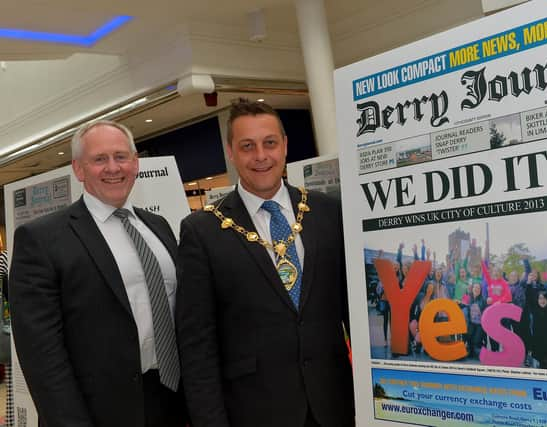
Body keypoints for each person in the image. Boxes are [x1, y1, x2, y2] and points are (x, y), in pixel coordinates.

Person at [176, 98, 354, 427]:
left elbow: (352, 310)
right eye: (247, 146)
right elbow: (197, 346)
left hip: (335, 404)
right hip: (253, 412)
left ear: (285, 146)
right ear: (231, 152)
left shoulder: (328, 212)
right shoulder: (202, 231)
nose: (261, 156)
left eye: (269, 143)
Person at [9, 120, 187, 427]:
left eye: (121, 156)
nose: (113, 168)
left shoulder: (159, 227)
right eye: (99, 159)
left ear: (135, 163)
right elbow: (41, 354)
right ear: (78, 169)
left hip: (171, 398)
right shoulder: (41, 239)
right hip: (97, 411)